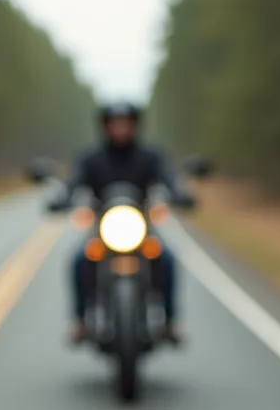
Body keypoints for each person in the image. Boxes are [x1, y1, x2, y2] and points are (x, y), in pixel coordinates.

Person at [51, 101, 195, 345]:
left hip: (142, 228)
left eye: (126, 123)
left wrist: (180, 194)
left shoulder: (150, 156)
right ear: (105, 126)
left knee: (167, 259)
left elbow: (169, 179)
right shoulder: (91, 158)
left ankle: (170, 321)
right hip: (102, 229)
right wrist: (62, 198)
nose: (121, 129)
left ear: (135, 126)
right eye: (115, 123)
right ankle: (80, 321)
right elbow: (73, 182)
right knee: (78, 260)